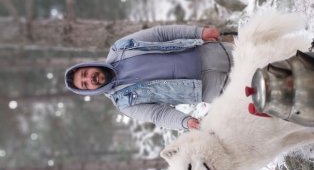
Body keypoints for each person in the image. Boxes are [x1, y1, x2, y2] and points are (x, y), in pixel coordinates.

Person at [65, 24, 233, 130]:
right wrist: (185, 122)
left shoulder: (120, 48)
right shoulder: (124, 103)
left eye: (85, 74)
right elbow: (157, 115)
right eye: (85, 84)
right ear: (90, 91)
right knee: (252, 87)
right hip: (209, 88)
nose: (90, 79)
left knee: (256, 53)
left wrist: (199, 33)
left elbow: (160, 34)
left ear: (88, 65)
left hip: (207, 53)